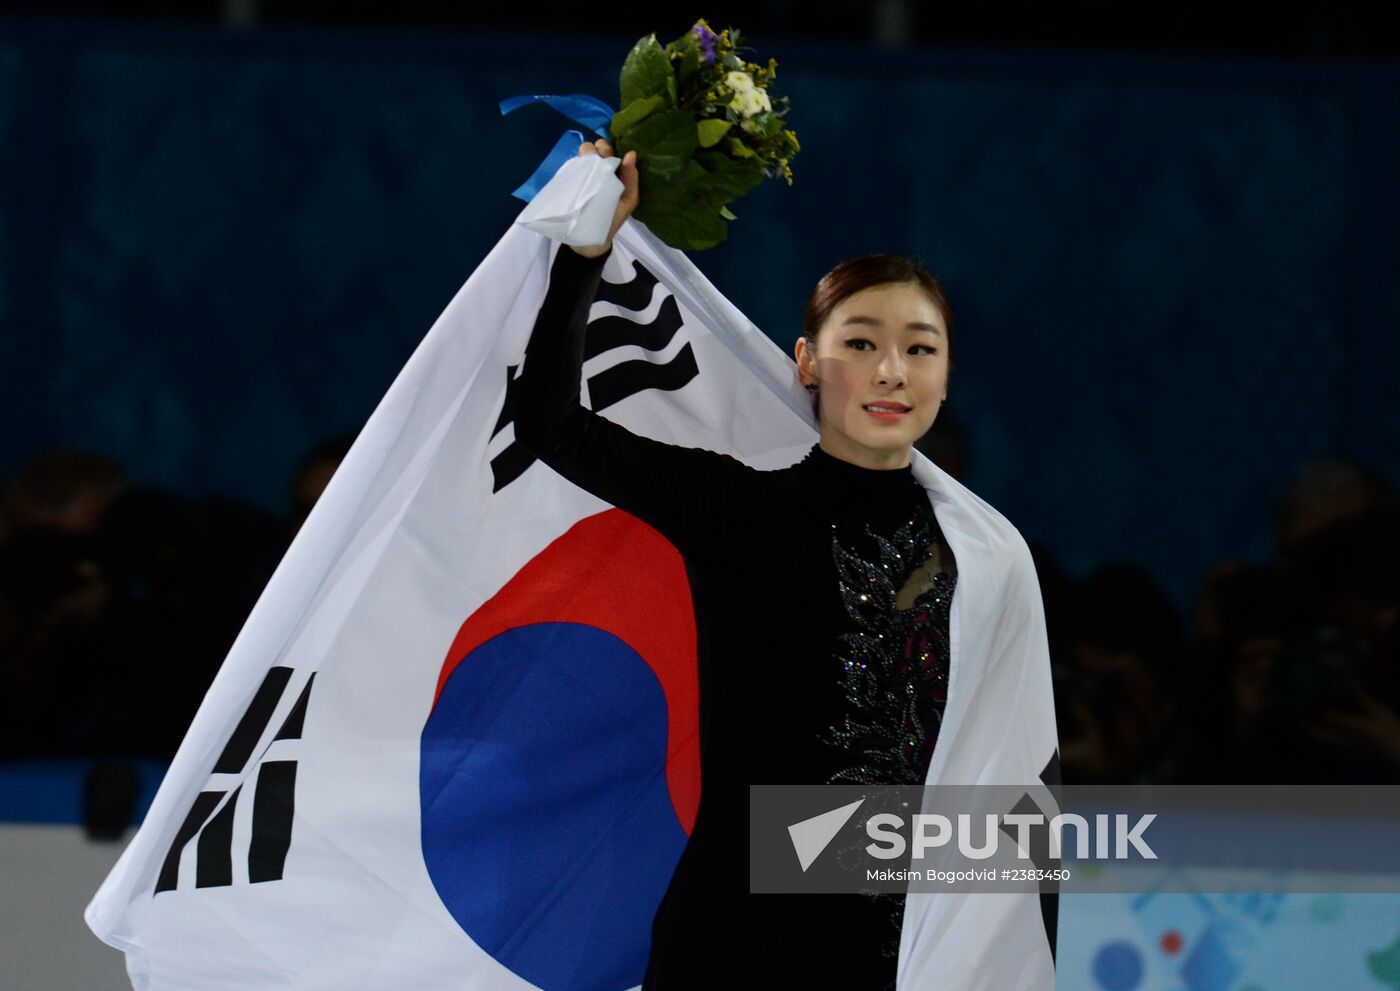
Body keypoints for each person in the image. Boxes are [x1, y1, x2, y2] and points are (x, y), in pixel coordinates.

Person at [514, 140, 1048, 988]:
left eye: (919, 348)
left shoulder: (990, 558)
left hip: (905, 943)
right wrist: (586, 253)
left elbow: (1019, 782)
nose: (889, 371)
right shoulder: (736, 507)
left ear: (946, 378)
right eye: (861, 342)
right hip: (734, 930)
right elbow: (548, 425)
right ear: (805, 361)